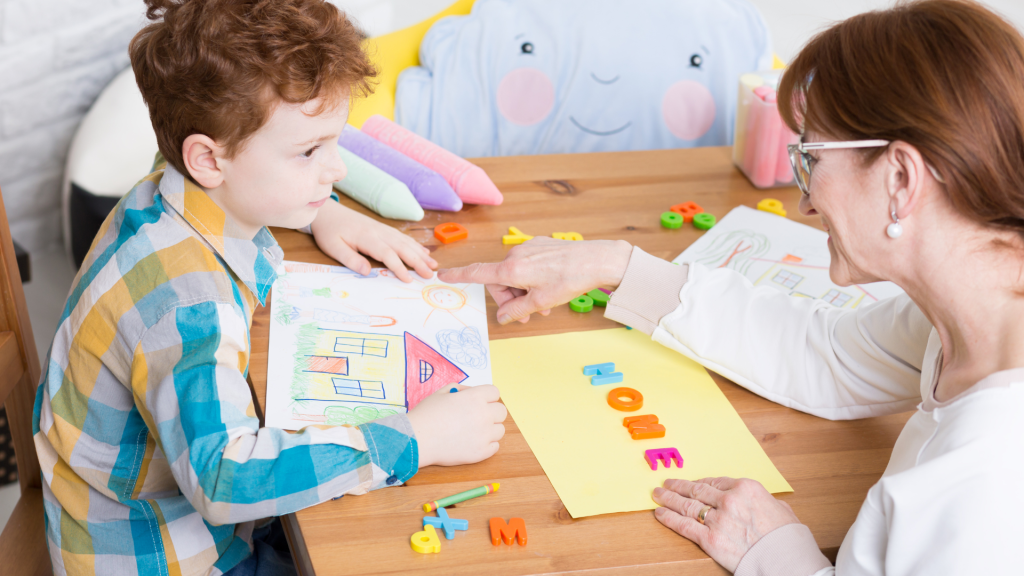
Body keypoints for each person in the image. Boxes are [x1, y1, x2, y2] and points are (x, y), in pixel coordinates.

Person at [439, 1, 1024, 573]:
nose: (805, 199)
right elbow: (830, 355)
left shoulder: (987, 476)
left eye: (811, 158)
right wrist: (616, 266)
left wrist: (778, 556)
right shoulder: (973, 307)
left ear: (901, 178)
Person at [32, 1, 507, 574]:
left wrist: (321, 213)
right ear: (208, 157)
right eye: (310, 151)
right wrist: (412, 442)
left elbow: (240, 172)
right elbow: (225, 481)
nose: (335, 170)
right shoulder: (187, 306)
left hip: (142, 508)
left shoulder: (170, 182)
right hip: (164, 553)